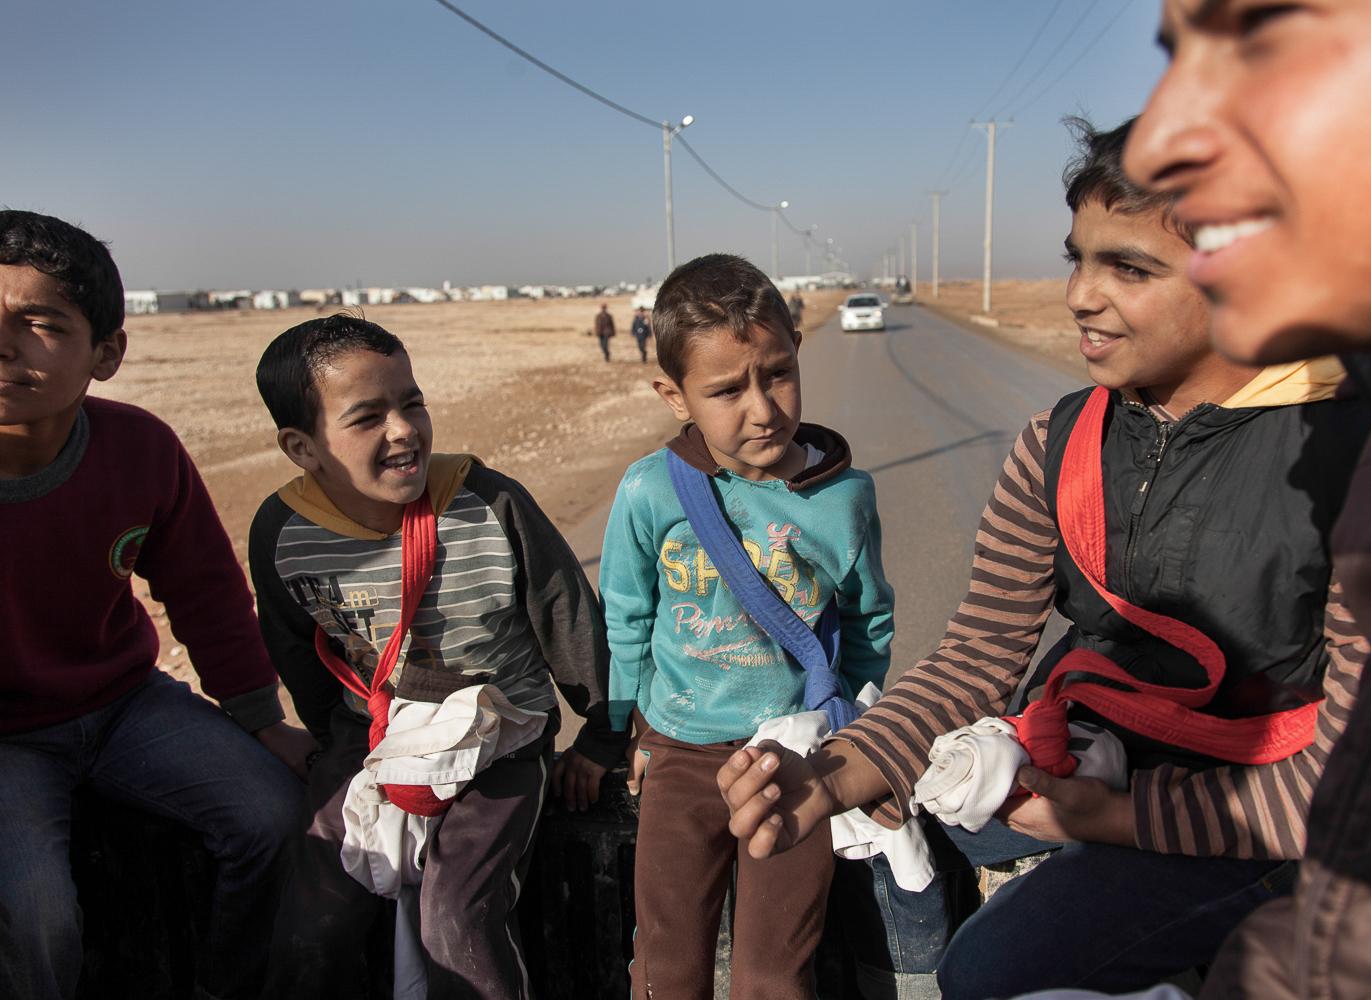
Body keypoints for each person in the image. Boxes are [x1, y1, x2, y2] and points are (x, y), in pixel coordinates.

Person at [715, 118, 1371, 999]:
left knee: (988, 972)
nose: (1079, 296)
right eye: (1079, 259)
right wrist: (825, 778)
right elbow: (979, 654)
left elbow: (1357, 775)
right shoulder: (1057, 443)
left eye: (1129, 268)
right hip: (1104, 763)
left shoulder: (1360, 460)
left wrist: (1118, 822)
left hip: (1266, 818)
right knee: (924, 815)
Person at [1108, 1, 1371, 996]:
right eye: (1173, 54)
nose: (1155, 144)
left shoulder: (1339, 448)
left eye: (1263, 28)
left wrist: (1100, 818)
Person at [250, 315, 624, 998]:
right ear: (303, 447)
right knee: (311, 924)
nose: (403, 430)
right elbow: (296, 649)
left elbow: (569, 620)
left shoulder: (488, 502)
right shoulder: (282, 533)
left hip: (500, 739)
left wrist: (602, 735)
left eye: (411, 402)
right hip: (371, 737)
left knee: (456, 919)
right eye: (368, 417)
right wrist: (338, 745)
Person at [0, 209, 308, 1000]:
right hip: (6, 743)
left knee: (271, 816)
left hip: (123, 703)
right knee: (39, 921)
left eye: (39, 324)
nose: (5, 345)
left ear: (107, 353)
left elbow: (203, 586)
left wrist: (258, 719)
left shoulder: (138, 447)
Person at [600, 252, 895, 999]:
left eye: (778, 373)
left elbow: (869, 619)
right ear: (674, 395)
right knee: (664, 966)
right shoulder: (649, 491)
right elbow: (629, 618)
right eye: (727, 390)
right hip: (678, 750)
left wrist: (850, 727)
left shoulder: (844, 497)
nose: (762, 408)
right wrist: (628, 730)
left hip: (789, 757)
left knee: (772, 973)